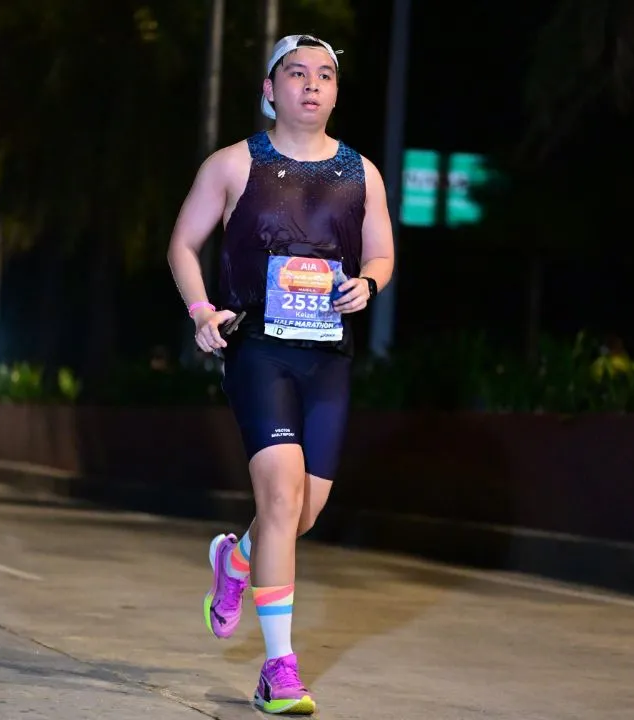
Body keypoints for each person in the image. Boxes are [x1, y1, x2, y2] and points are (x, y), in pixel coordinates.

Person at [167, 33, 394, 715]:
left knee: (303, 513)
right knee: (280, 498)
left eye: (325, 75)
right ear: (271, 90)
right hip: (258, 348)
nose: (312, 85)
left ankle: (234, 561)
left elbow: (381, 254)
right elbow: (182, 244)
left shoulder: (363, 172)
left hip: (328, 356)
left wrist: (368, 285)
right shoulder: (233, 164)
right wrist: (201, 310)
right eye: (297, 74)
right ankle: (278, 669)